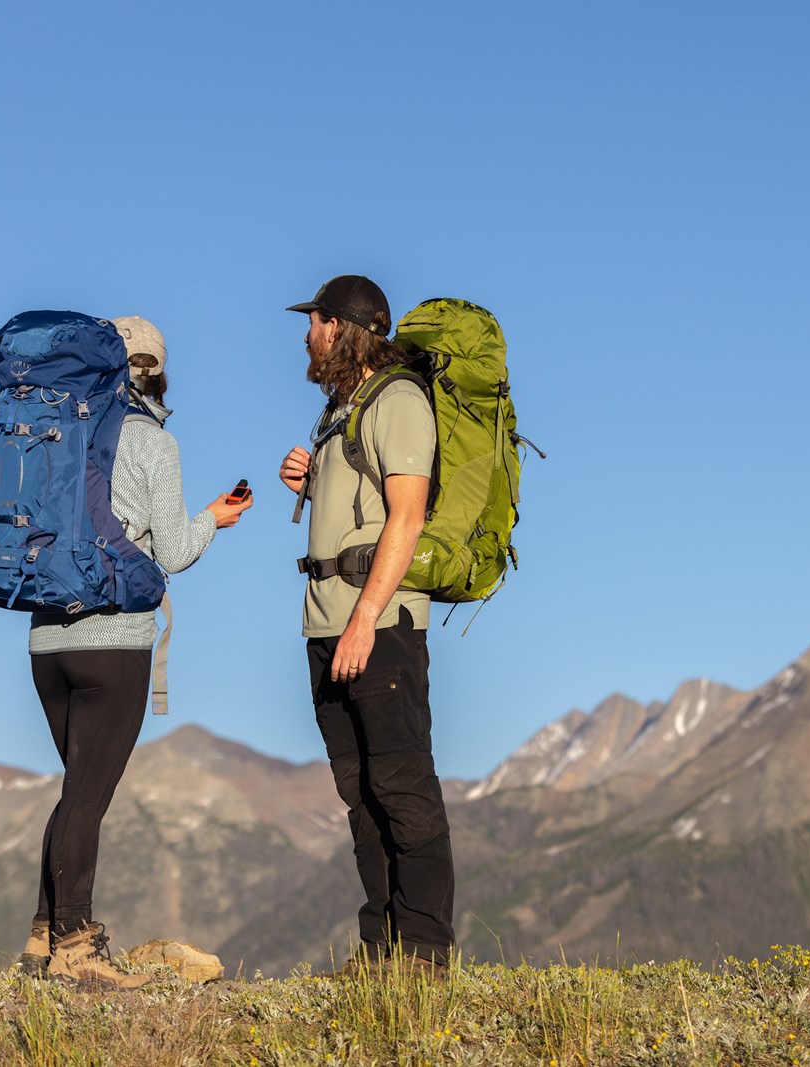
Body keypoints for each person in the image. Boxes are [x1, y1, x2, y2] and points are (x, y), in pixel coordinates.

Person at [0, 315, 251, 990]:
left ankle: (43, 936)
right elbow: (175, 551)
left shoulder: (44, 428)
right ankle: (77, 947)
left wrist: (34, 547)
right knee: (86, 799)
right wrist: (215, 518)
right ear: (157, 375)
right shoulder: (152, 442)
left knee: (76, 793)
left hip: (45, 641)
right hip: (114, 641)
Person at [279, 275, 455, 977]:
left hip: (378, 624)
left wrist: (365, 620)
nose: (306, 336)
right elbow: (362, 506)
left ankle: (425, 952)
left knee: (402, 785)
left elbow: (406, 518)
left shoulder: (399, 400)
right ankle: (382, 951)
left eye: (314, 322)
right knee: (359, 794)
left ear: (342, 327)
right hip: (327, 624)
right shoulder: (341, 409)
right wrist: (311, 482)